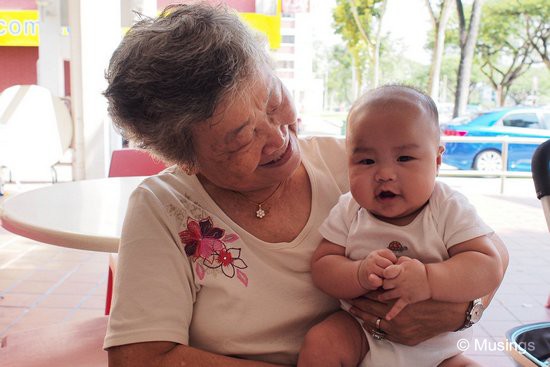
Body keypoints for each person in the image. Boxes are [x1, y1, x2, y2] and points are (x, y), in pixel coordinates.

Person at [102, 3, 509, 366]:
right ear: (187, 160)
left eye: (273, 101)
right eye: (242, 138)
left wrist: (461, 311)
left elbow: (492, 254)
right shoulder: (163, 207)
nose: (278, 137)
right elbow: (139, 357)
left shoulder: (357, 162)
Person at [298, 86, 504, 367]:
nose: (384, 174)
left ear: (437, 160)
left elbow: (487, 266)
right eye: (367, 161)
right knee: (321, 342)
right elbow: (322, 266)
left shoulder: (448, 207)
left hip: (438, 352)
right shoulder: (350, 208)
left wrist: (429, 280)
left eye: (404, 158)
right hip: (361, 333)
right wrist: (358, 273)